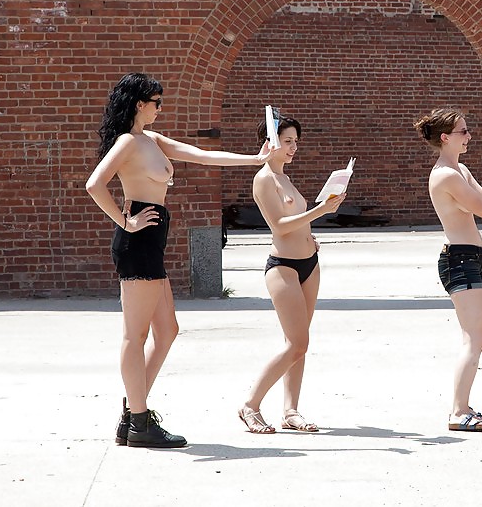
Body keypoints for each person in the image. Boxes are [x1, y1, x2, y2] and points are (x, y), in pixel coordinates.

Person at [86, 72, 274, 448]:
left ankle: (132, 414)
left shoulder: (152, 140)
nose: (160, 108)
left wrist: (256, 158)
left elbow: (202, 155)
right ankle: (139, 422)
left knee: (167, 330)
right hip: (137, 241)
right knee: (135, 335)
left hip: (153, 241)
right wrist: (125, 220)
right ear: (139, 104)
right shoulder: (127, 142)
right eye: (156, 102)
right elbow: (94, 184)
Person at [413, 108, 482, 432]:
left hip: (472, 257)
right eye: (462, 131)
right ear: (445, 137)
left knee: (477, 336)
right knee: (473, 338)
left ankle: (462, 406)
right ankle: (458, 411)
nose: (469, 136)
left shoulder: (460, 169)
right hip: (459, 260)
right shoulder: (445, 175)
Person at [238, 116, 345, 434]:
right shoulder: (264, 179)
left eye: (296, 141)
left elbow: (297, 222)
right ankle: (250, 405)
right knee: (298, 344)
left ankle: (290, 411)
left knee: (298, 343)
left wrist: (310, 234)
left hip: (309, 263)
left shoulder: (285, 178)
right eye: (287, 141)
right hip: (283, 267)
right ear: (270, 142)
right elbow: (279, 226)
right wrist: (320, 211)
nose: (293, 147)